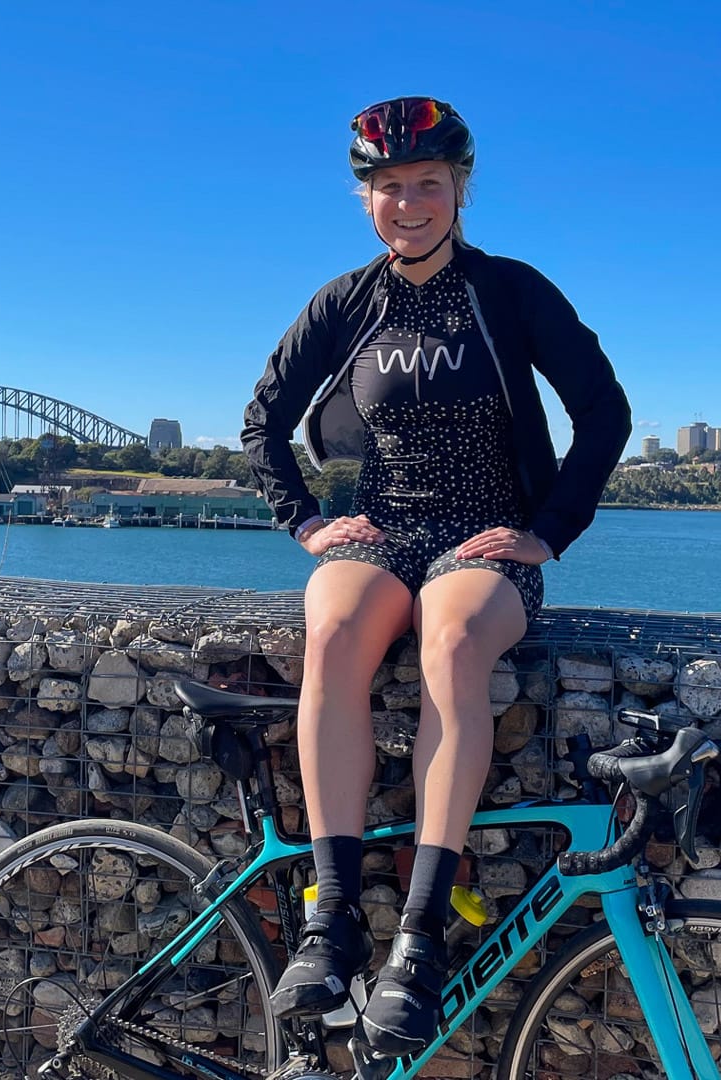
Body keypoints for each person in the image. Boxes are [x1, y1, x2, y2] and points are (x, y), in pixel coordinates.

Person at [238, 96, 633, 1054]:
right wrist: (307, 522)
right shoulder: (346, 302)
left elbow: (604, 411)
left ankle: (418, 938)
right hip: (382, 529)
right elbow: (263, 423)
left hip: (481, 535)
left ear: (460, 190)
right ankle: (333, 920)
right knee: (334, 630)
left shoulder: (509, 291)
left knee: (452, 642)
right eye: (388, 187)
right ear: (365, 198)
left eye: (428, 184)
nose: (408, 203)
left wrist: (550, 531)